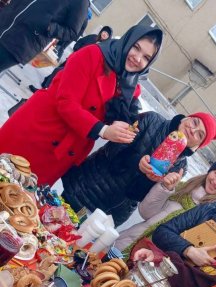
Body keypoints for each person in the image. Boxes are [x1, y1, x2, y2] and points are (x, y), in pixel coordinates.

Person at [0, 24, 163, 186]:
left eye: (147, 57)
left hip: (62, 154)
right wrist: (104, 130)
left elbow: (127, 123)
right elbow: (66, 102)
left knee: (18, 204)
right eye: (136, 47)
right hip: (38, 132)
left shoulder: (131, 88)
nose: (138, 58)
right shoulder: (93, 54)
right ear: (127, 41)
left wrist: (125, 132)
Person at [61, 112, 216, 227]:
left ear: (196, 147)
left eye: (199, 135)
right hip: (85, 187)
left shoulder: (180, 168)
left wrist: (152, 182)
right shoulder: (151, 120)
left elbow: (141, 199)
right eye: (194, 123)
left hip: (110, 213)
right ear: (187, 118)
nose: (192, 130)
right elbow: (113, 148)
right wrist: (137, 162)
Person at [115, 155, 216, 255]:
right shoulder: (183, 187)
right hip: (125, 244)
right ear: (210, 171)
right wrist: (164, 188)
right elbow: (146, 212)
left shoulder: (213, 217)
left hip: (149, 264)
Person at [0, 0, 89, 73]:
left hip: (22, 42)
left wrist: (48, 26)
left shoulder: (81, 2)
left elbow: (72, 32)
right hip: (5, 18)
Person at [29, 25, 114, 93]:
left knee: (59, 73)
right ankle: (45, 87)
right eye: (104, 31)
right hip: (74, 58)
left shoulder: (104, 48)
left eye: (107, 34)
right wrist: (77, 51)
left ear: (108, 37)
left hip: (81, 68)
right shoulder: (93, 37)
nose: (104, 34)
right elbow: (80, 42)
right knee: (57, 72)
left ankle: (44, 90)